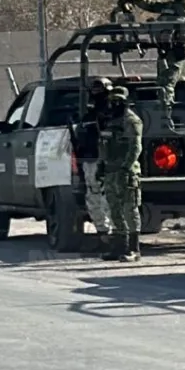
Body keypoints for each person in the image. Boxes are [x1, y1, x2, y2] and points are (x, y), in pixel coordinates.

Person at [121, 0, 185, 130]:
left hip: (177, 49)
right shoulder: (172, 5)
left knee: (166, 85)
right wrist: (134, 0)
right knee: (161, 84)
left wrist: (159, 25)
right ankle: (161, 117)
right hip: (164, 49)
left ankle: (165, 121)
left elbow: (184, 21)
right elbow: (153, 5)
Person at [99, 86, 144, 262]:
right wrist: (101, 166)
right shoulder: (110, 120)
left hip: (126, 172)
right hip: (111, 170)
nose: (115, 104)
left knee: (129, 208)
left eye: (119, 101)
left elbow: (135, 147)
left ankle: (134, 249)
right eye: (113, 101)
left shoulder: (131, 120)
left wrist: (126, 168)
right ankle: (120, 246)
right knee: (114, 208)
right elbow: (104, 145)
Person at [74, 76, 114, 256]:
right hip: (90, 159)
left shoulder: (112, 113)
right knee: (94, 196)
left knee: (105, 197)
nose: (96, 94)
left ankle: (111, 237)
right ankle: (104, 236)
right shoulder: (90, 113)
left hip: (104, 159)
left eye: (100, 90)